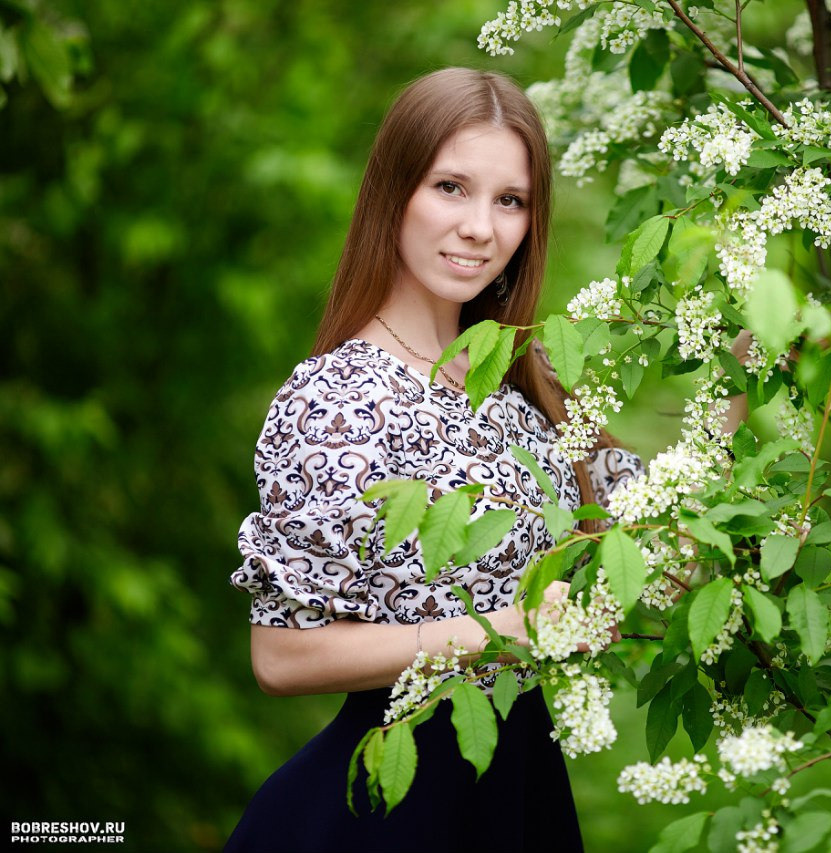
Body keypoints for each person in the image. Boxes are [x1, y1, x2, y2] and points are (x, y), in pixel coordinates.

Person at [223, 67, 650, 853]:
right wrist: (503, 629)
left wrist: (740, 373)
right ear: (395, 192)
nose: (480, 227)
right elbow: (281, 656)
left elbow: (659, 535)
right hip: (388, 805)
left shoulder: (526, 384)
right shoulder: (339, 398)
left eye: (509, 200)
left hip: (522, 797)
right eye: (451, 187)